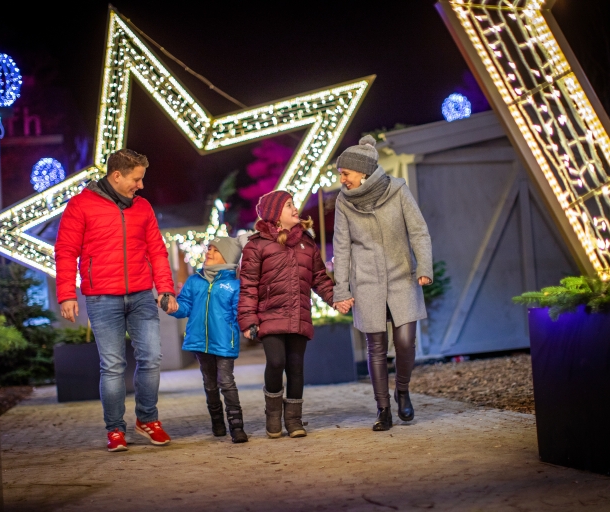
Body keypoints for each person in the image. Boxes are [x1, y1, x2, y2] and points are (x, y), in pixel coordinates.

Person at [55, 148, 179, 452]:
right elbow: (66, 251)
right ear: (117, 175)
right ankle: (114, 429)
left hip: (140, 295)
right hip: (101, 298)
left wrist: (165, 288)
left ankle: (147, 419)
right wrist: (67, 294)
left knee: (151, 358)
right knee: (112, 366)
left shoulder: (143, 208)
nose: (141, 185)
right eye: (136, 179)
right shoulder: (80, 206)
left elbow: (157, 251)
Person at [332, 135, 433, 431]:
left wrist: (423, 266)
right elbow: (341, 248)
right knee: (375, 347)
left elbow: (419, 231)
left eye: (345, 173)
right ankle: (383, 409)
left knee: (404, 342)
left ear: (362, 172)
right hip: (367, 282)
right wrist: (342, 289)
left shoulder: (398, 190)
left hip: (402, 276)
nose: (342, 179)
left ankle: (402, 390)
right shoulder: (343, 202)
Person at [238, 190, 335, 438]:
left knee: (295, 367)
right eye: (289, 205)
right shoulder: (256, 245)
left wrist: (336, 299)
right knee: (276, 361)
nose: (295, 209)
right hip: (269, 315)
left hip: (298, 313)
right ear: (275, 214)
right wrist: (248, 319)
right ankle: (272, 413)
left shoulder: (307, 243)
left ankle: (293, 420)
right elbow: (248, 285)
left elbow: (320, 279)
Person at [170, 236, 248, 443]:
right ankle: (217, 423)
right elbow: (185, 305)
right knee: (210, 384)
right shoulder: (195, 281)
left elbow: (239, 313)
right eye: (209, 249)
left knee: (226, 382)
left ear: (227, 256)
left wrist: (247, 326)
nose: (208, 253)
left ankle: (236, 426)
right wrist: (175, 307)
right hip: (199, 341)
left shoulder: (234, 285)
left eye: (214, 250)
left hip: (223, 342)